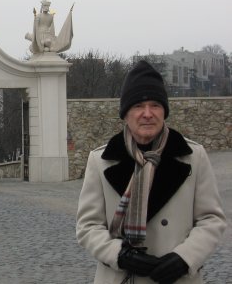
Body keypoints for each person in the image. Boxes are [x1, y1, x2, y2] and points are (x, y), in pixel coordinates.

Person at [76, 60, 227, 283]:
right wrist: (121, 255)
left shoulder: (193, 156)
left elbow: (211, 219)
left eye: (155, 105)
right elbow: (88, 226)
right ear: (125, 114)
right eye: (138, 106)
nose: (147, 113)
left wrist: (184, 258)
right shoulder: (100, 160)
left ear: (164, 111)